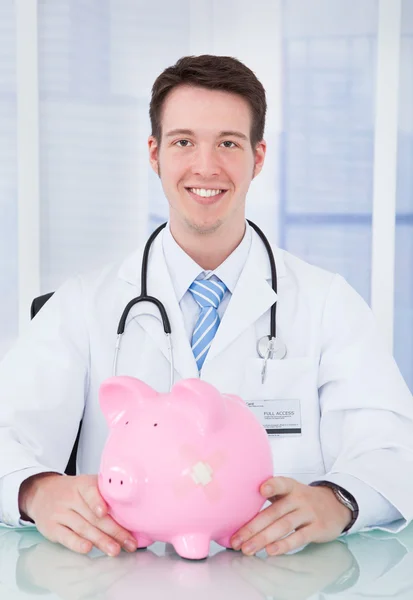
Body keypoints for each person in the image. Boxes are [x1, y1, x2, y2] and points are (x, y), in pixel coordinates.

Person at [0, 55, 412, 560]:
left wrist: (340, 501)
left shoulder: (328, 303)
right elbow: (8, 430)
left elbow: (392, 448)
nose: (205, 166)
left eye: (228, 143)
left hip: (283, 581)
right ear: (154, 154)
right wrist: (36, 490)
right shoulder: (82, 305)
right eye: (183, 142)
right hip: (124, 581)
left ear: (258, 157)